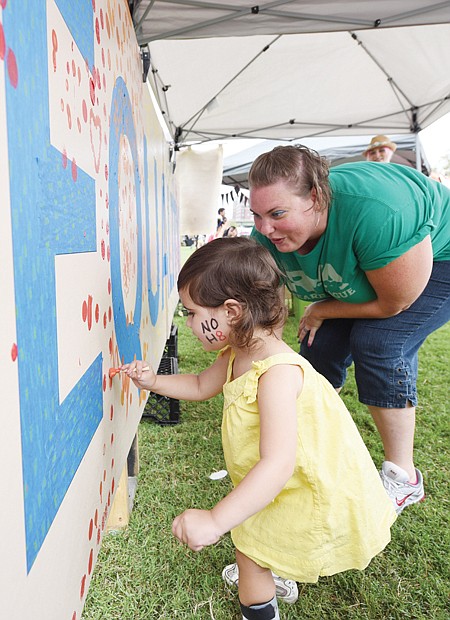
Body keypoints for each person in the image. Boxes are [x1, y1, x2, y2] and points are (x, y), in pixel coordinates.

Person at [122, 237, 396, 620]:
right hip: (278, 486)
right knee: (259, 540)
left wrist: (216, 520)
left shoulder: (278, 376)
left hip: (298, 489)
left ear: (231, 311)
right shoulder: (236, 352)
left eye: (191, 313)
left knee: (249, 548)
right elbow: (202, 385)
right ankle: (274, 570)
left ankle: (262, 602)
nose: (188, 323)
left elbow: (277, 464)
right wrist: (154, 383)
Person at [248, 144, 450, 517]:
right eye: (257, 215)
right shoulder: (265, 237)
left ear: (316, 196)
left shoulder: (379, 212)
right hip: (376, 257)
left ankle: (404, 478)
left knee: (380, 342)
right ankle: (304, 436)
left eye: (276, 214)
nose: (264, 229)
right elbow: (266, 310)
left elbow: (393, 304)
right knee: (317, 344)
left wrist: (323, 308)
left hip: (438, 255)